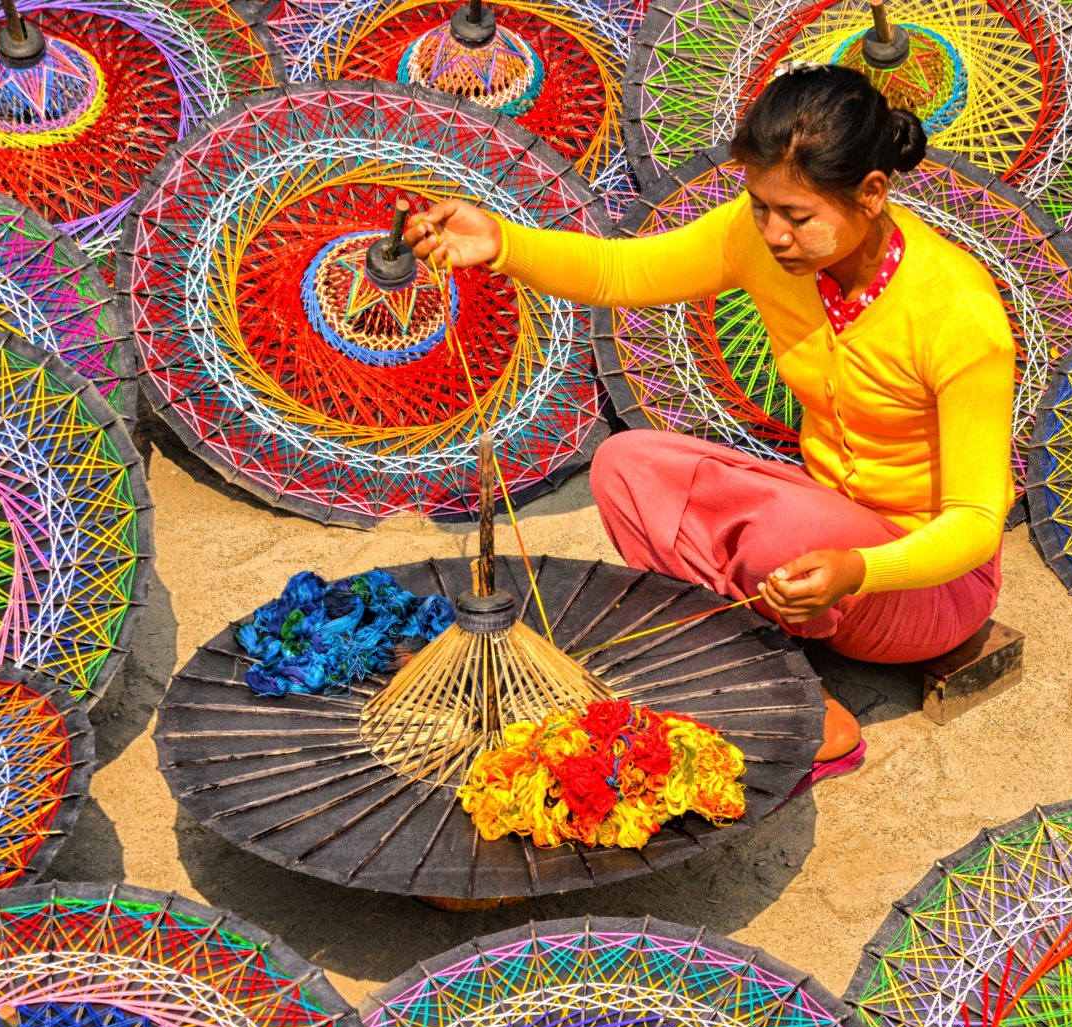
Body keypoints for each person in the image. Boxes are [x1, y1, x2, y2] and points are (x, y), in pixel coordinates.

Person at [408, 64, 1015, 781]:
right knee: (627, 464)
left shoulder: (959, 313)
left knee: (784, 532)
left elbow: (978, 521)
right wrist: (503, 243)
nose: (774, 234)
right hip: (825, 527)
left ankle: (808, 718)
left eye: (798, 216)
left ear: (873, 195)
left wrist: (861, 567)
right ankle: (763, 663)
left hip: (926, 590)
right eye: (761, 206)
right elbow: (621, 274)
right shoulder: (754, 239)